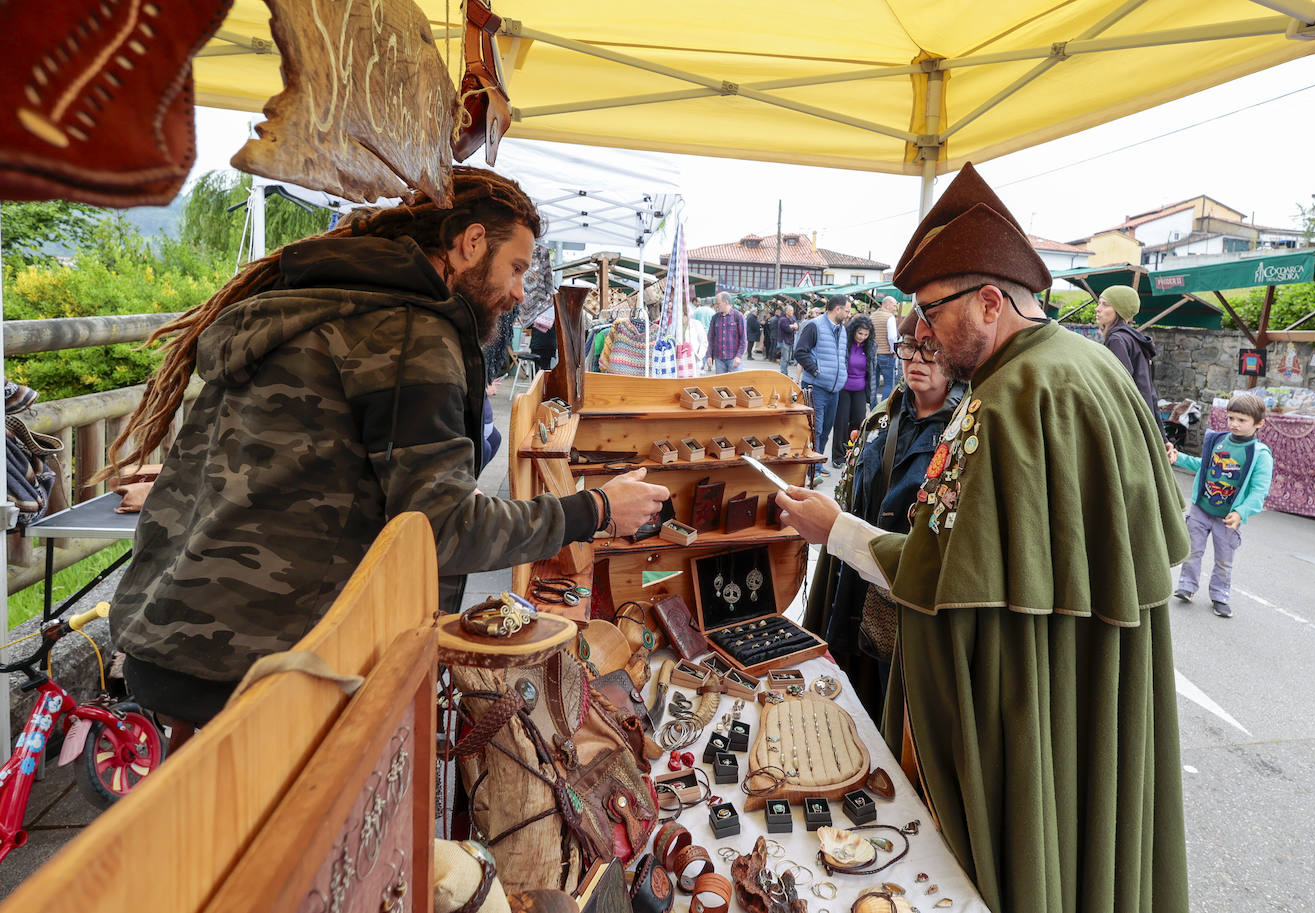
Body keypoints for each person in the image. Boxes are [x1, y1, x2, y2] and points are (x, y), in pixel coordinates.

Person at [103, 167, 670, 728]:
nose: (519, 292)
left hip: (175, 632)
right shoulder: (405, 333)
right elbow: (446, 530)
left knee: (198, 819)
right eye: (516, 268)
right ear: (471, 244)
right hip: (274, 662)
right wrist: (594, 509)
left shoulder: (306, 304)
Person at [776, 162, 1191, 913]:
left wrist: (833, 529)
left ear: (991, 301)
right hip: (1094, 674)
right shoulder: (1097, 371)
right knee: (1084, 827)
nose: (923, 331)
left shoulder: (1000, 402)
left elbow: (935, 576)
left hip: (1025, 691)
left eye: (932, 311)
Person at [803, 330, 962, 723]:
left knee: (893, 712)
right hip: (855, 582)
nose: (917, 359)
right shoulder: (883, 415)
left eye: (931, 348)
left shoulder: (964, 431)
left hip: (909, 599)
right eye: (908, 347)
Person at [1167, 392, 1272, 618]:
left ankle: (1220, 595)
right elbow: (1203, 465)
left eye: (1242, 420)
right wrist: (1178, 457)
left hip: (1228, 517)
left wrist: (1241, 512)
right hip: (1201, 508)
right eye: (1231, 418)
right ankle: (1187, 586)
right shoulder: (1218, 440)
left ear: (1259, 423)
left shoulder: (1260, 455)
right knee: (1193, 550)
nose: (1234, 424)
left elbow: (1259, 492)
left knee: (1224, 559)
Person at [793, 295, 850, 474]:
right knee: (815, 429)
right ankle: (811, 470)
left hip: (834, 389)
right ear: (838, 309)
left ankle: (816, 464)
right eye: (847, 310)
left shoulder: (842, 329)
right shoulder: (814, 326)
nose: (849, 314)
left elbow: (842, 356)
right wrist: (816, 371)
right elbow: (800, 352)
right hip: (816, 387)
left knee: (826, 429)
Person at [1097, 284, 1161, 415]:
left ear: (1120, 310)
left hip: (1129, 416)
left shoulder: (1117, 340)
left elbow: (1118, 388)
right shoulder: (1131, 338)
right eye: (1099, 303)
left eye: (1105, 304)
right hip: (1142, 412)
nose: (1098, 309)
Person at [829, 314, 876, 468]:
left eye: (865, 334)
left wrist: (872, 394)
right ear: (853, 331)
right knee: (841, 423)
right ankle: (838, 456)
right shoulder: (845, 343)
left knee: (858, 422)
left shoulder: (870, 347)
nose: (862, 337)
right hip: (843, 388)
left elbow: (872, 372)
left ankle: (852, 452)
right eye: (859, 333)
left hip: (860, 389)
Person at [705, 291, 746, 374]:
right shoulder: (715, 318)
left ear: (726, 302)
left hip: (733, 358)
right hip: (719, 359)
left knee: (734, 384)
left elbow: (743, 339)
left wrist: (739, 356)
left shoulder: (738, 316)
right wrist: (709, 355)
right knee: (720, 385)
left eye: (718, 304)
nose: (716, 306)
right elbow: (710, 338)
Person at [872, 296, 900, 400]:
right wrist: (894, 350)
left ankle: (873, 409)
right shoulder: (889, 317)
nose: (895, 308)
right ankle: (884, 410)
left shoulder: (872, 316)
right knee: (889, 383)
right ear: (887, 305)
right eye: (894, 305)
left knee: (874, 384)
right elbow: (892, 337)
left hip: (874, 354)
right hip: (886, 354)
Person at [777, 303, 798, 377]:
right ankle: (784, 374)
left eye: (792, 310)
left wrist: (792, 326)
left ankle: (785, 373)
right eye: (790, 310)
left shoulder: (792, 319)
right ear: (786, 311)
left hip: (790, 341)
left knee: (788, 358)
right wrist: (792, 326)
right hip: (784, 341)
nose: (792, 312)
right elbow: (788, 329)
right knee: (785, 358)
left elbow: (796, 327)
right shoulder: (783, 319)